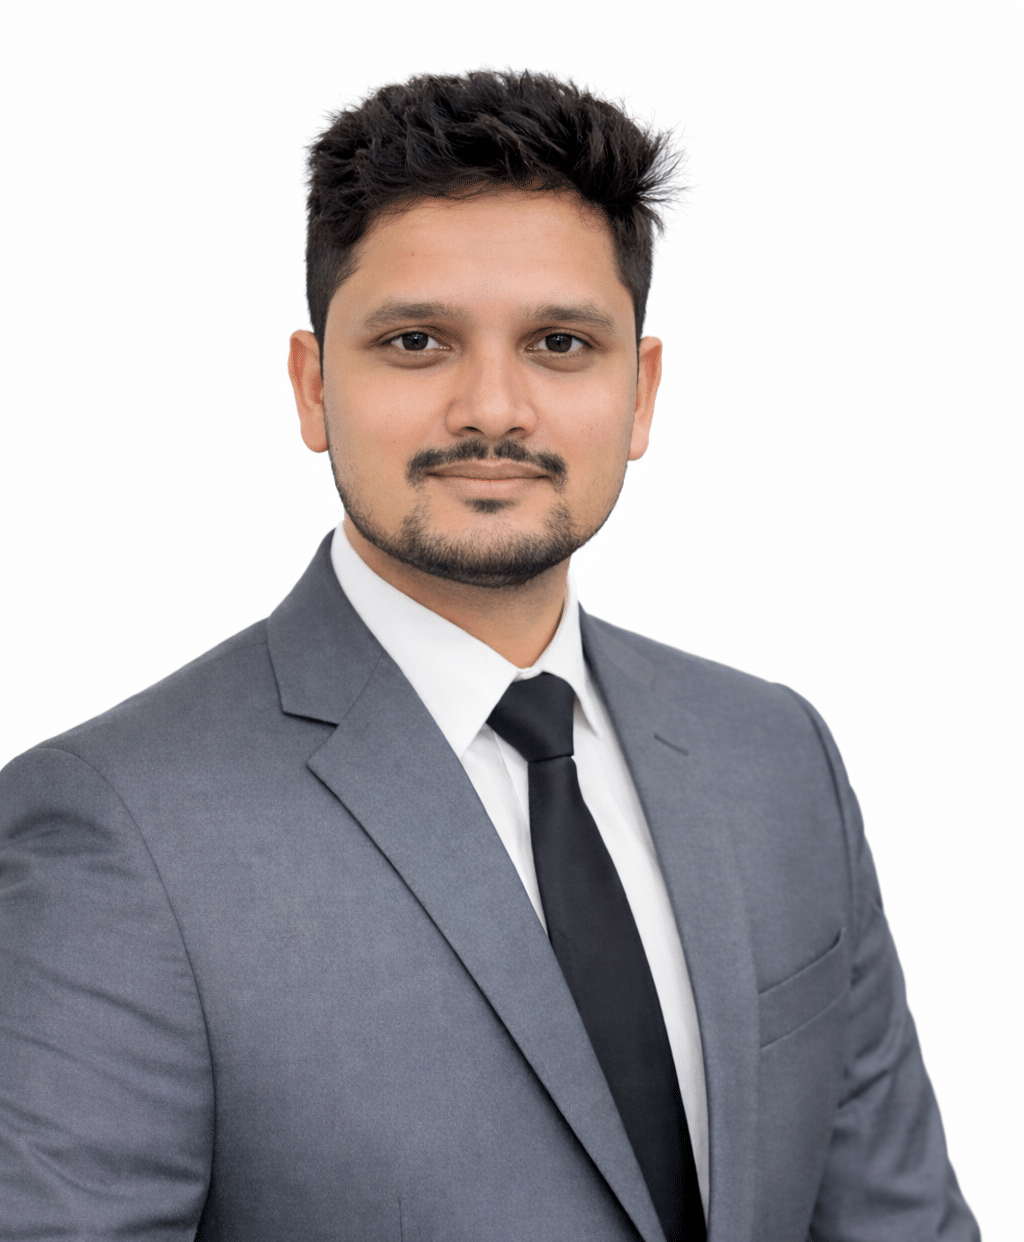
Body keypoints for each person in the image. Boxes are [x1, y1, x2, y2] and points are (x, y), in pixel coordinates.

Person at [0, 70, 977, 1242]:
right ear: (314, 387)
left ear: (639, 392)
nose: (494, 408)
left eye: (560, 343)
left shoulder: (774, 757)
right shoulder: (114, 830)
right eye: (416, 341)